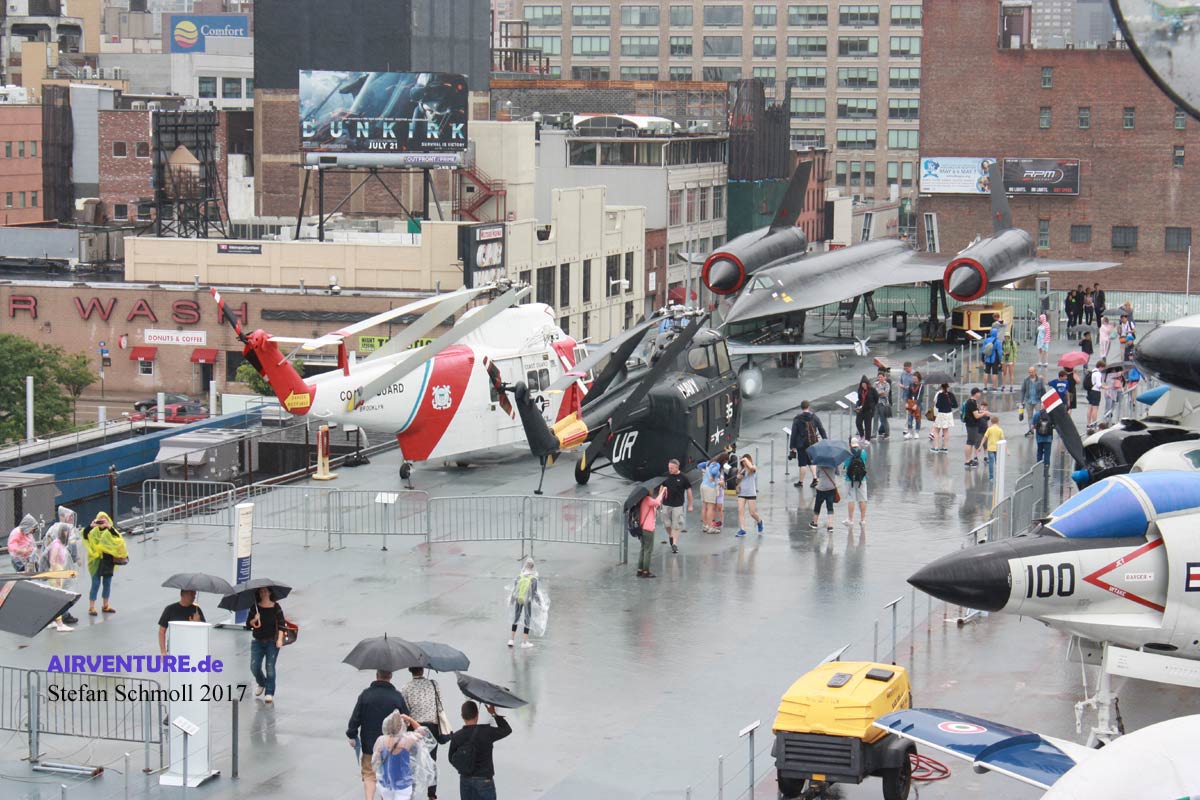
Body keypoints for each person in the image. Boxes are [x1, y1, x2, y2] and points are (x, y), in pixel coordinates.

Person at [348, 670, 413, 800]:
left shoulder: (366, 695)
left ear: (377, 676)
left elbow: (355, 718)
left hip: (369, 744)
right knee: (387, 776)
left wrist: (352, 734)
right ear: (390, 676)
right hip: (391, 746)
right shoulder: (397, 696)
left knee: (369, 775)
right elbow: (406, 719)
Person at [401, 668, 451, 800]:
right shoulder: (434, 684)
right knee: (431, 760)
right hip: (431, 728)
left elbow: (406, 711)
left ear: (410, 670)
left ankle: (411, 792)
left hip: (414, 727)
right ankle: (432, 794)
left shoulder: (406, 688)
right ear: (423, 669)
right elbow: (439, 706)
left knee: (412, 761)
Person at [449, 701, 512, 800]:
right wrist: (493, 713)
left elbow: (451, 759)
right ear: (477, 715)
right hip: (484, 781)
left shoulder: (457, 736)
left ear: (462, 716)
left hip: (465, 780)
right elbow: (507, 730)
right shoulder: (486, 732)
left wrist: (464, 767)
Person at [372, 710, 429, 800]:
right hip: (404, 784)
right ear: (402, 726)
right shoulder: (407, 740)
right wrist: (409, 719)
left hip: (386, 784)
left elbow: (375, 762)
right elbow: (423, 733)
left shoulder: (381, 740)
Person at [82, 512, 126, 617]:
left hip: (107, 561)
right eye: (100, 520)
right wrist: (91, 526)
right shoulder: (93, 532)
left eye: (104, 520)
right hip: (95, 562)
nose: (101, 522)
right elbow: (85, 535)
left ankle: (105, 605)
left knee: (107, 583)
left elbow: (119, 539)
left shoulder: (110, 531)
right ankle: (92, 607)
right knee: (95, 583)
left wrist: (109, 527)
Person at [247, 586, 285, 703]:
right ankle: (262, 683)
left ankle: (269, 693)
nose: (263, 593)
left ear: (269, 593)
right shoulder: (255, 607)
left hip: (272, 642)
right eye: (261, 592)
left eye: (265, 591)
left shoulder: (276, 607)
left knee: (270, 668)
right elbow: (248, 625)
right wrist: (254, 619)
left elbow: (282, 624)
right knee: (254, 667)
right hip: (258, 642)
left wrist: (279, 640)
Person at [507, 559, 546, 648]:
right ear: (532, 567)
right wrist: (541, 604)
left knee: (516, 618)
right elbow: (535, 594)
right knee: (527, 619)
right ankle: (525, 642)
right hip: (527, 600)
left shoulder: (519, 577)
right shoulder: (533, 579)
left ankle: (511, 640)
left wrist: (511, 601)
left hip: (519, 599)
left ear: (525, 566)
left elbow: (515, 591)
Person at [789, 401, 826, 488]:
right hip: (812, 443)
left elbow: (794, 433)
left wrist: (792, 446)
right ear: (808, 407)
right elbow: (821, 429)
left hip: (801, 444)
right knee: (811, 462)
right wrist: (825, 439)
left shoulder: (797, 419)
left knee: (802, 464)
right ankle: (815, 478)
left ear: (801, 407)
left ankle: (801, 482)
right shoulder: (814, 417)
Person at [45, 524, 74, 632]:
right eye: (67, 532)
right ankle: (60, 624)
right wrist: (57, 576)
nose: (69, 534)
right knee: (58, 599)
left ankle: (52, 621)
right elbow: (53, 561)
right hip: (56, 572)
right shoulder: (57, 544)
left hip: (57, 571)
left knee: (54, 598)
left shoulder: (58, 543)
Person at [157, 589, 205, 655]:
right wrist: (163, 651)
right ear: (182, 594)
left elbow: (203, 633)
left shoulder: (197, 610)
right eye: (191, 594)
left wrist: (198, 623)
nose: (194, 597)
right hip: (174, 647)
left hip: (192, 648)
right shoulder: (170, 609)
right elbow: (162, 631)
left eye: (194, 594)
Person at [660, 459, 692, 554]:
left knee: (676, 524)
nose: (670, 469)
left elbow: (689, 490)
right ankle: (671, 535)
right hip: (666, 504)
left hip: (678, 505)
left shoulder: (683, 477)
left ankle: (674, 544)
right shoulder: (666, 476)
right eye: (669, 467)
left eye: (672, 468)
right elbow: (662, 487)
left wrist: (690, 505)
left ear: (677, 467)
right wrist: (659, 500)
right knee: (667, 524)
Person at [635, 484, 666, 578]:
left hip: (642, 528)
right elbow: (657, 502)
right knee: (648, 550)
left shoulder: (642, 500)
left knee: (643, 548)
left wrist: (660, 494)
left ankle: (640, 569)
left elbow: (655, 504)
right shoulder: (648, 499)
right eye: (651, 489)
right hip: (648, 528)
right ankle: (646, 571)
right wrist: (662, 492)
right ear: (648, 492)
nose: (653, 491)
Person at [735, 453, 763, 537]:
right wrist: (738, 479)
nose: (744, 463)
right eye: (742, 462)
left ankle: (759, 521)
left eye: (745, 461)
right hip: (742, 493)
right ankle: (742, 529)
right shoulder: (741, 470)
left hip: (751, 493)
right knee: (740, 511)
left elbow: (752, 468)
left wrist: (745, 459)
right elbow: (737, 482)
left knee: (752, 513)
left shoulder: (753, 468)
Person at [843, 438, 869, 527]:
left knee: (851, 499)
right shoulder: (863, 452)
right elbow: (865, 462)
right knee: (862, 499)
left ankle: (850, 519)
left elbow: (846, 465)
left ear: (850, 444)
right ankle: (863, 520)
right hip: (862, 479)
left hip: (849, 479)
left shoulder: (847, 453)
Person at [809, 463, 839, 533]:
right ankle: (830, 526)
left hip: (821, 488)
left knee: (817, 505)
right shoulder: (834, 463)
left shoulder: (819, 464)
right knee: (830, 506)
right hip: (831, 488)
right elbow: (837, 473)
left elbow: (817, 475)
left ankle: (815, 523)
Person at [962, 388, 987, 468]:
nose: (980, 394)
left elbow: (975, 413)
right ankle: (967, 461)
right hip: (971, 425)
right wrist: (984, 414)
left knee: (971, 442)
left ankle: (969, 459)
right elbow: (976, 416)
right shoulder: (972, 403)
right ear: (976, 393)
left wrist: (980, 412)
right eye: (979, 393)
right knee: (969, 442)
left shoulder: (971, 402)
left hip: (972, 424)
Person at [1020, 367, 1046, 436]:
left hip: (1037, 400)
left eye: (1032, 372)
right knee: (1030, 416)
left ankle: (1039, 429)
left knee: (1038, 416)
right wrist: (1021, 401)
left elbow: (1043, 390)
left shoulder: (1040, 380)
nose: (1031, 373)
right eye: (1029, 372)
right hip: (1028, 400)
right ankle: (1031, 430)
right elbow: (1023, 390)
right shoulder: (1026, 380)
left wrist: (1044, 401)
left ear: (1035, 372)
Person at [932, 383, 956, 453]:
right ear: (948, 387)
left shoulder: (940, 395)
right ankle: (945, 448)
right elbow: (955, 405)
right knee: (946, 431)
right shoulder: (951, 394)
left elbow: (937, 406)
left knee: (936, 430)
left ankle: (936, 447)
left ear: (941, 387)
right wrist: (949, 405)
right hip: (949, 414)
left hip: (941, 414)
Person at [853, 375, 879, 442]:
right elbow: (859, 399)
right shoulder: (860, 390)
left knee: (867, 425)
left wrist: (872, 405)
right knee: (858, 423)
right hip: (861, 409)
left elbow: (876, 398)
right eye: (862, 384)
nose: (864, 385)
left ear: (867, 384)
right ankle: (862, 435)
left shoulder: (872, 390)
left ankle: (867, 439)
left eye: (865, 384)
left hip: (868, 409)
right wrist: (858, 406)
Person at [699, 460, 721, 534]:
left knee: (704, 507)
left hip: (703, 485)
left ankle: (705, 525)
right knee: (710, 508)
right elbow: (714, 472)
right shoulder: (717, 464)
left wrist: (704, 469)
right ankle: (710, 527)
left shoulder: (708, 463)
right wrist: (718, 466)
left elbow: (699, 465)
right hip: (710, 486)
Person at [983, 416, 1005, 480]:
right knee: (998, 463)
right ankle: (999, 475)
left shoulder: (989, 429)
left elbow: (984, 438)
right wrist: (1007, 450)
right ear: (998, 422)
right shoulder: (1000, 430)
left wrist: (980, 446)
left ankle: (991, 477)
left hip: (990, 448)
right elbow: (1003, 440)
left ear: (991, 422)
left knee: (991, 463)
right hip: (998, 448)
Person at [981, 326, 1002, 391]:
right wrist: (1000, 361)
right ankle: (994, 387)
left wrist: (982, 359)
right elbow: (999, 352)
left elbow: (983, 350)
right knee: (995, 373)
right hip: (995, 359)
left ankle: (985, 387)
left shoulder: (986, 340)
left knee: (986, 372)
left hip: (987, 358)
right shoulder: (998, 341)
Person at [873, 370, 892, 440]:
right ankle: (874, 434)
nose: (880, 378)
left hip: (883, 404)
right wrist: (880, 393)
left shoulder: (887, 384)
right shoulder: (875, 384)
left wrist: (878, 394)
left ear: (884, 377)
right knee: (875, 419)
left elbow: (885, 394)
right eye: (879, 377)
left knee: (884, 419)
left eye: (881, 377)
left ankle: (887, 433)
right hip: (876, 403)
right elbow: (873, 392)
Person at [1086, 360, 1105, 431]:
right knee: (1095, 408)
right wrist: (1105, 387)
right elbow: (1099, 385)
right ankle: (1094, 424)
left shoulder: (1092, 372)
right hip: (1096, 392)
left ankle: (1088, 424)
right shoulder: (1098, 374)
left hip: (1090, 391)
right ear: (1100, 367)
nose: (1103, 369)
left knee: (1090, 408)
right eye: (1103, 368)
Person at [904, 372, 924, 439]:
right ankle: (909, 432)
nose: (914, 380)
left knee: (917, 418)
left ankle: (917, 432)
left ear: (918, 379)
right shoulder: (911, 385)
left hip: (918, 403)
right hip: (911, 403)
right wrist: (907, 402)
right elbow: (908, 394)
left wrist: (916, 404)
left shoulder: (921, 386)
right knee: (910, 418)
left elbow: (920, 396)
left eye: (915, 378)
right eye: (913, 378)